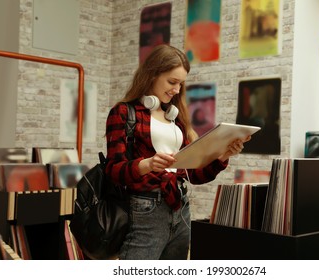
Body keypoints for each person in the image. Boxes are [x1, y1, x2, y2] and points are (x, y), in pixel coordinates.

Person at [105, 44, 250, 260]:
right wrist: (147, 164)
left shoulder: (176, 118)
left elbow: (194, 175)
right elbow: (113, 170)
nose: (176, 89)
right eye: (172, 82)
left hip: (180, 208)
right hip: (146, 209)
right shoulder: (124, 113)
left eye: (181, 84)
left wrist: (223, 155)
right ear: (151, 75)